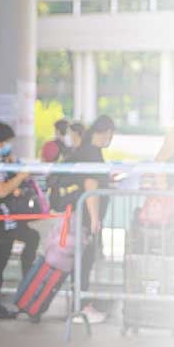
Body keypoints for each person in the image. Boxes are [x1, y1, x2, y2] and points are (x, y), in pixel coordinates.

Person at [0, 122, 40, 320]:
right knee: (0, 260)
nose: (7, 147)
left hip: (7, 219)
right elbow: (1, 190)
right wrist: (20, 177)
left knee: (31, 238)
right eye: (5, 143)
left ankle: (24, 292)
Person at [63, 115, 117, 325]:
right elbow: (90, 187)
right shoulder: (92, 154)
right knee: (84, 263)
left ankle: (80, 305)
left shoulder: (86, 151)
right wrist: (95, 219)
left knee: (82, 262)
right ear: (105, 132)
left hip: (81, 214)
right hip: (86, 217)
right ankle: (80, 308)